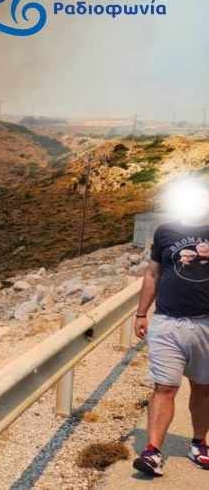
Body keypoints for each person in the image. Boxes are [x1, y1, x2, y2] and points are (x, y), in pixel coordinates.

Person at [133, 181, 209, 477]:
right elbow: (153, 273)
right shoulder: (165, 231)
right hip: (168, 322)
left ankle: (199, 443)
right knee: (164, 387)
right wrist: (141, 313)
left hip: (206, 323)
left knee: (203, 389)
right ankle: (152, 451)